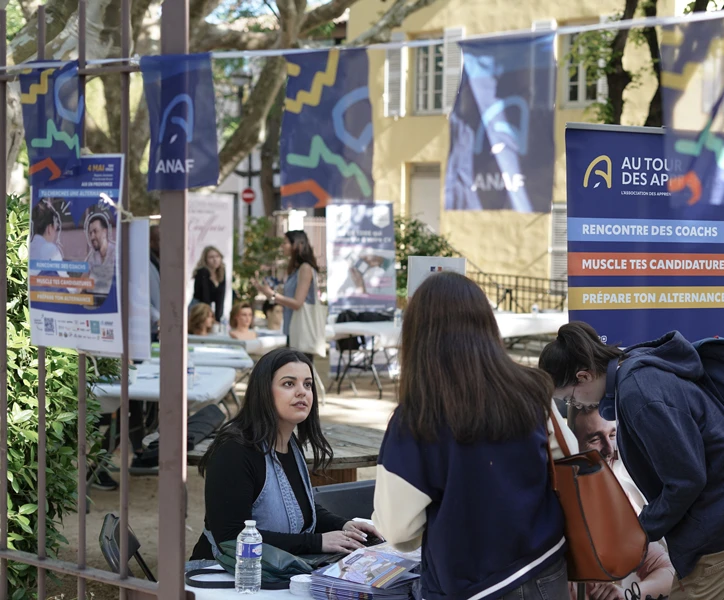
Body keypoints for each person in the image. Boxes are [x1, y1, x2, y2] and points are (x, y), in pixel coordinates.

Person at [539, 321, 724, 600]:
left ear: (583, 376)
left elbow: (687, 479)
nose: (576, 406)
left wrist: (639, 532)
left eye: (569, 399)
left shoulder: (638, 393)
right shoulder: (633, 369)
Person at [373, 272, 569, 600]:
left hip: (469, 585)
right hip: (546, 568)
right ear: (487, 325)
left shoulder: (418, 416)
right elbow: (568, 465)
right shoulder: (534, 390)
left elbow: (396, 527)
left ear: (417, 335)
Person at [187, 349, 380, 568]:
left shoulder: (290, 443)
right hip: (222, 574)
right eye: (289, 384)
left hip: (275, 571)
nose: (302, 392)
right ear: (263, 391)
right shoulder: (234, 451)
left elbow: (299, 509)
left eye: (307, 384)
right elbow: (232, 538)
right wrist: (317, 542)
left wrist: (345, 525)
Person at [565, 405, 675, 600]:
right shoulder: (555, 502)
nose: (609, 448)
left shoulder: (613, 503)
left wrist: (627, 595)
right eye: (595, 438)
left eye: (612, 435)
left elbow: (667, 571)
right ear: (572, 444)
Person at [252, 231, 321, 359]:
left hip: (301, 330)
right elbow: (288, 299)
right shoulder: (295, 270)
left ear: (296, 244)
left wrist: (272, 295)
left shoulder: (305, 268)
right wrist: (266, 291)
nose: (282, 246)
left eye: (285, 243)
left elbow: (297, 303)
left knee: (300, 371)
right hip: (293, 329)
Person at [192, 246, 227, 322]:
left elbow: (221, 298)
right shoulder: (202, 272)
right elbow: (205, 296)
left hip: (208, 308)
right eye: (211, 257)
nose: (215, 260)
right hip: (198, 307)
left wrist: (218, 318)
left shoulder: (221, 272)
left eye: (217, 256)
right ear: (205, 260)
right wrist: (210, 316)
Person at [85, 213, 116, 296]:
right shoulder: (92, 256)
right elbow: (84, 280)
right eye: (90, 233)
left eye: (95, 231)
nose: (92, 237)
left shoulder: (116, 253)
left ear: (104, 232)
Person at [149, 225, 161, 342]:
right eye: (160, 239)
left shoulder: (161, 262)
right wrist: (156, 317)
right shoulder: (144, 263)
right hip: (149, 326)